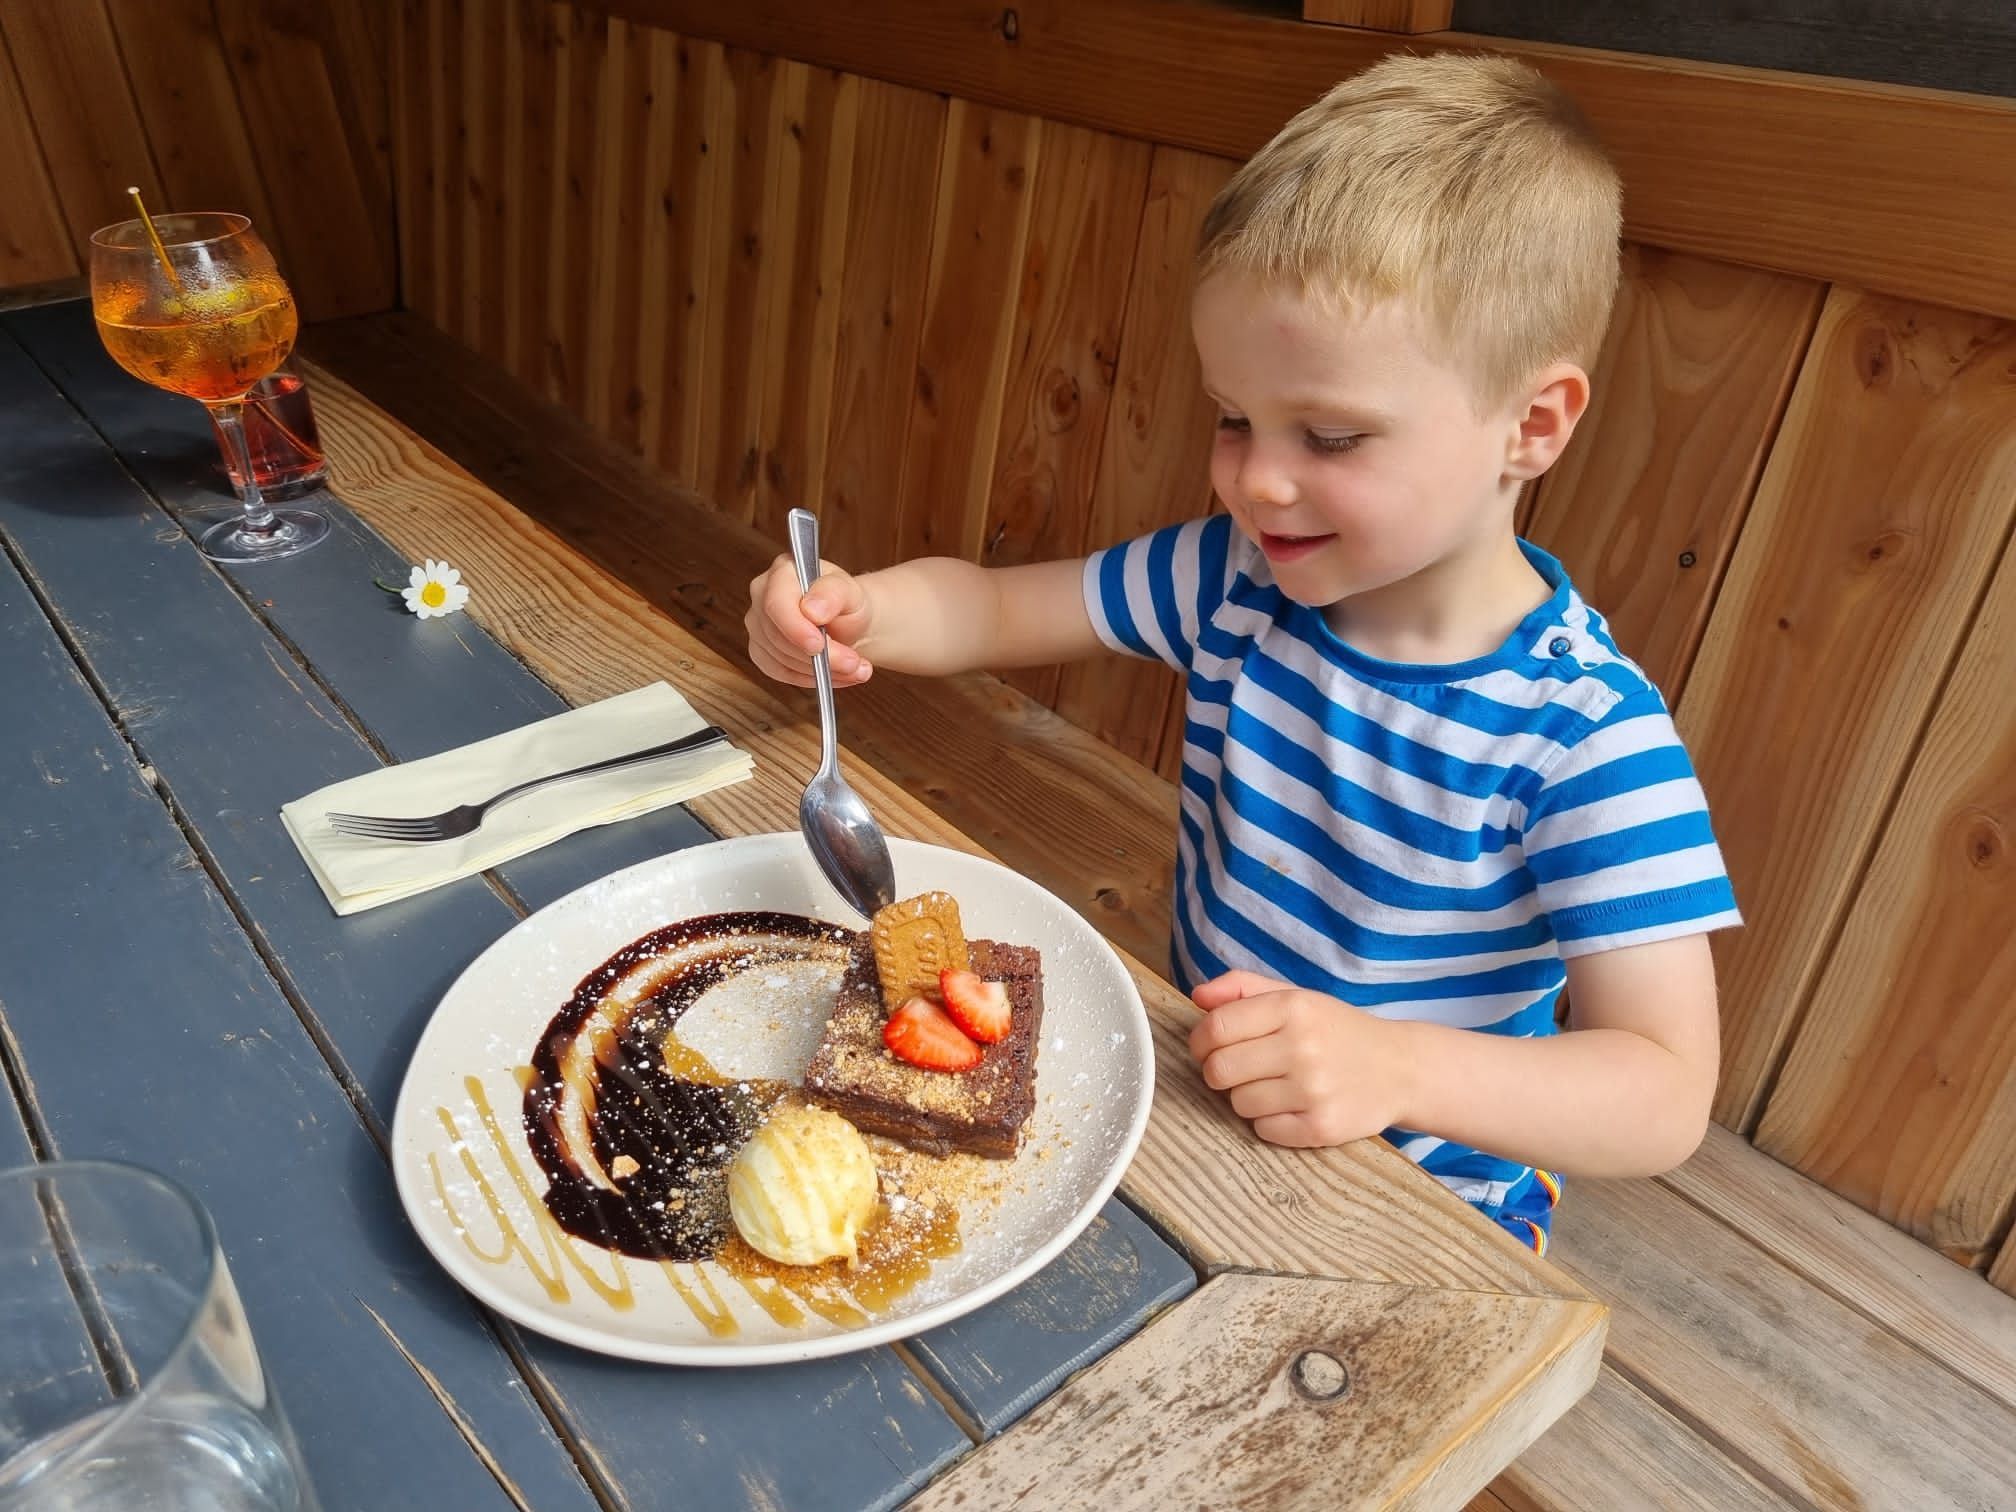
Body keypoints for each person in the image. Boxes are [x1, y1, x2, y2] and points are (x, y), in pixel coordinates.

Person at [744, 53, 1739, 1253]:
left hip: (1424, 1211)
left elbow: (1665, 1094)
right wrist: (857, 612)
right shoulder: (1238, 579)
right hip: (1202, 1100)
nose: (1256, 478)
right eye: (1235, 417)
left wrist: (1395, 1065)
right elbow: (1004, 611)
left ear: (1531, 427)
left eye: (1328, 433)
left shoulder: (1584, 737)